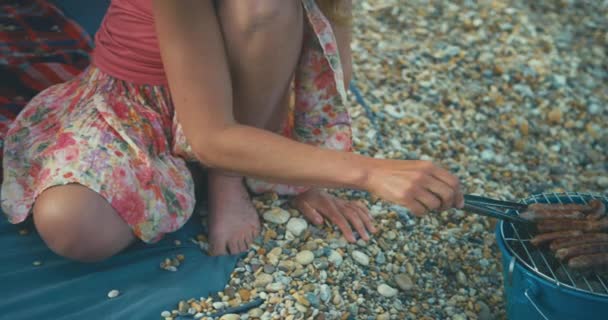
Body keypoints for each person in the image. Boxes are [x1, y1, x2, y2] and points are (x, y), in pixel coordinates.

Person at [1, 0, 464, 262]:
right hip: (137, 102)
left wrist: (302, 170)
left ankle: (232, 176)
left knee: (267, 5)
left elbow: (325, 66)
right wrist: (368, 172)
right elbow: (211, 133)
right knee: (74, 227)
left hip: (242, 102)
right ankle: (227, 170)